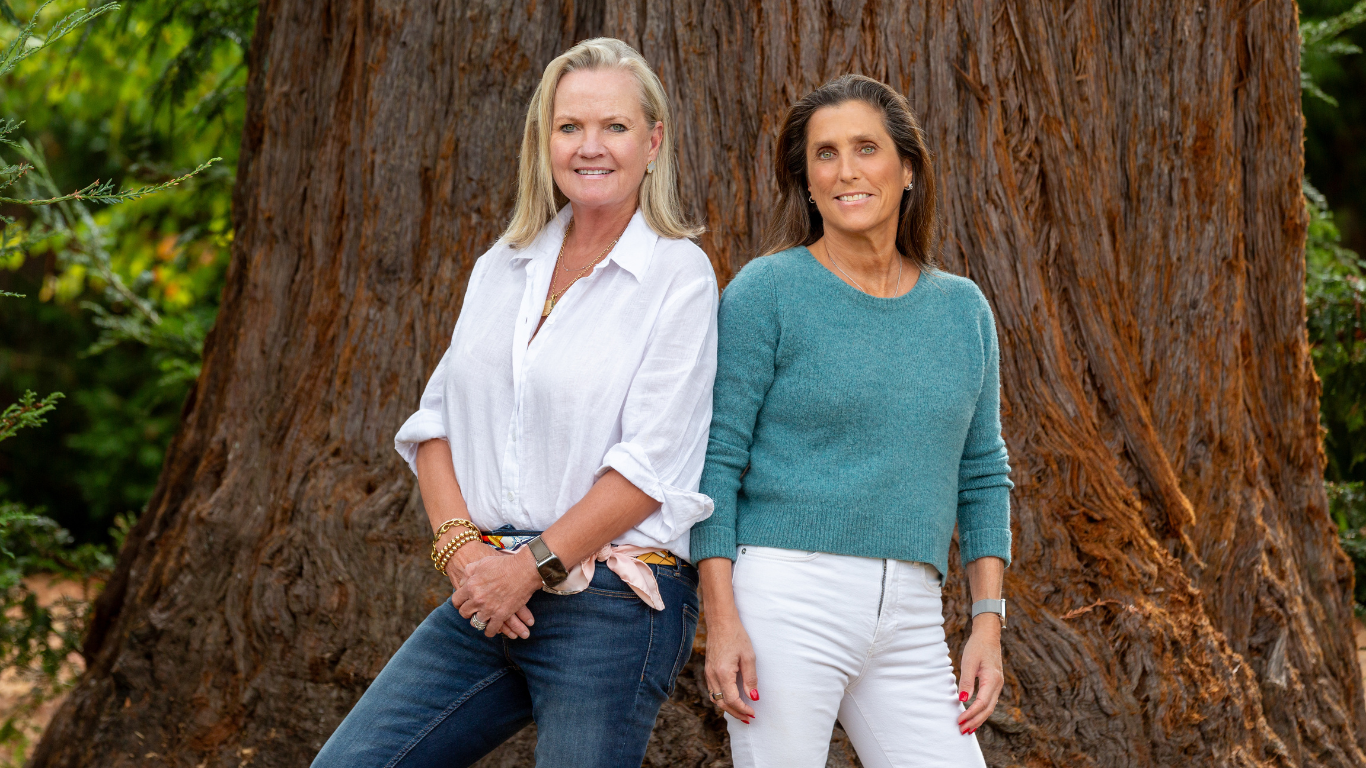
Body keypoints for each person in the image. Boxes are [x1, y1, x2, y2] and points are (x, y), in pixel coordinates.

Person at [311, 38, 718, 768]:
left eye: (615, 127)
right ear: (545, 141)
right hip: (488, 588)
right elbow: (434, 426)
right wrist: (461, 551)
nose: (590, 147)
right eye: (570, 128)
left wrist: (527, 568)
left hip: (614, 604)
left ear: (653, 142)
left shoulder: (678, 274)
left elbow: (648, 468)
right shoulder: (505, 264)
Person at [689, 74, 1013, 768]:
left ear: (907, 171)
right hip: (786, 598)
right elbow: (715, 465)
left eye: (866, 148)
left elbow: (982, 474)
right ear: (806, 183)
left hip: (914, 612)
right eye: (825, 154)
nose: (846, 171)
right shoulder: (766, 293)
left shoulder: (963, 310)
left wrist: (987, 619)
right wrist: (722, 621)